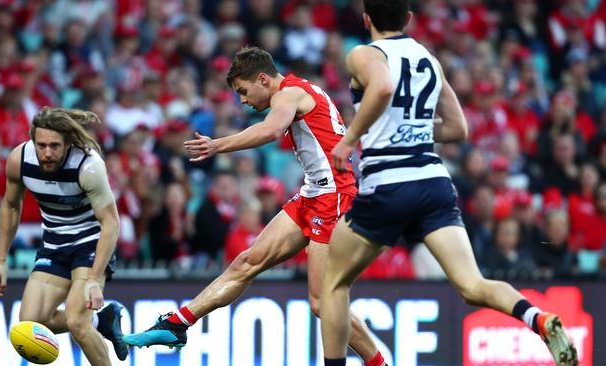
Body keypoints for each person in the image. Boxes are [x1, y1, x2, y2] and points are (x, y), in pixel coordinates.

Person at [319, 2, 578, 366]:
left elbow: (381, 87)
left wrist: (351, 139)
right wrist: (414, 130)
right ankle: (539, 318)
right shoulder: (428, 59)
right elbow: (458, 128)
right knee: (472, 284)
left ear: (365, 20)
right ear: (408, 19)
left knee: (331, 285)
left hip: (389, 184)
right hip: (433, 183)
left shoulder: (363, 54)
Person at [123, 46, 387, 366]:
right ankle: (177, 324)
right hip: (313, 194)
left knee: (321, 302)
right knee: (246, 262)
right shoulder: (300, 91)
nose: (244, 101)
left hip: (333, 198)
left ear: (263, 79)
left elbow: (271, 130)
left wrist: (218, 144)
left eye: (244, 92)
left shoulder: (289, 94)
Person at [0, 107, 129, 364]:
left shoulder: (88, 166)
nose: (47, 153)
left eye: (55, 146)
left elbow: (110, 222)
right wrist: (0, 260)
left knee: (78, 324)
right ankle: (104, 319)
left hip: (91, 243)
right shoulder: (19, 160)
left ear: (68, 144)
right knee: (31, 323)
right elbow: (10, 206)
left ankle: (92, 322)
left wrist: (94, 279)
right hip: (54, 243)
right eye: (41, 145)